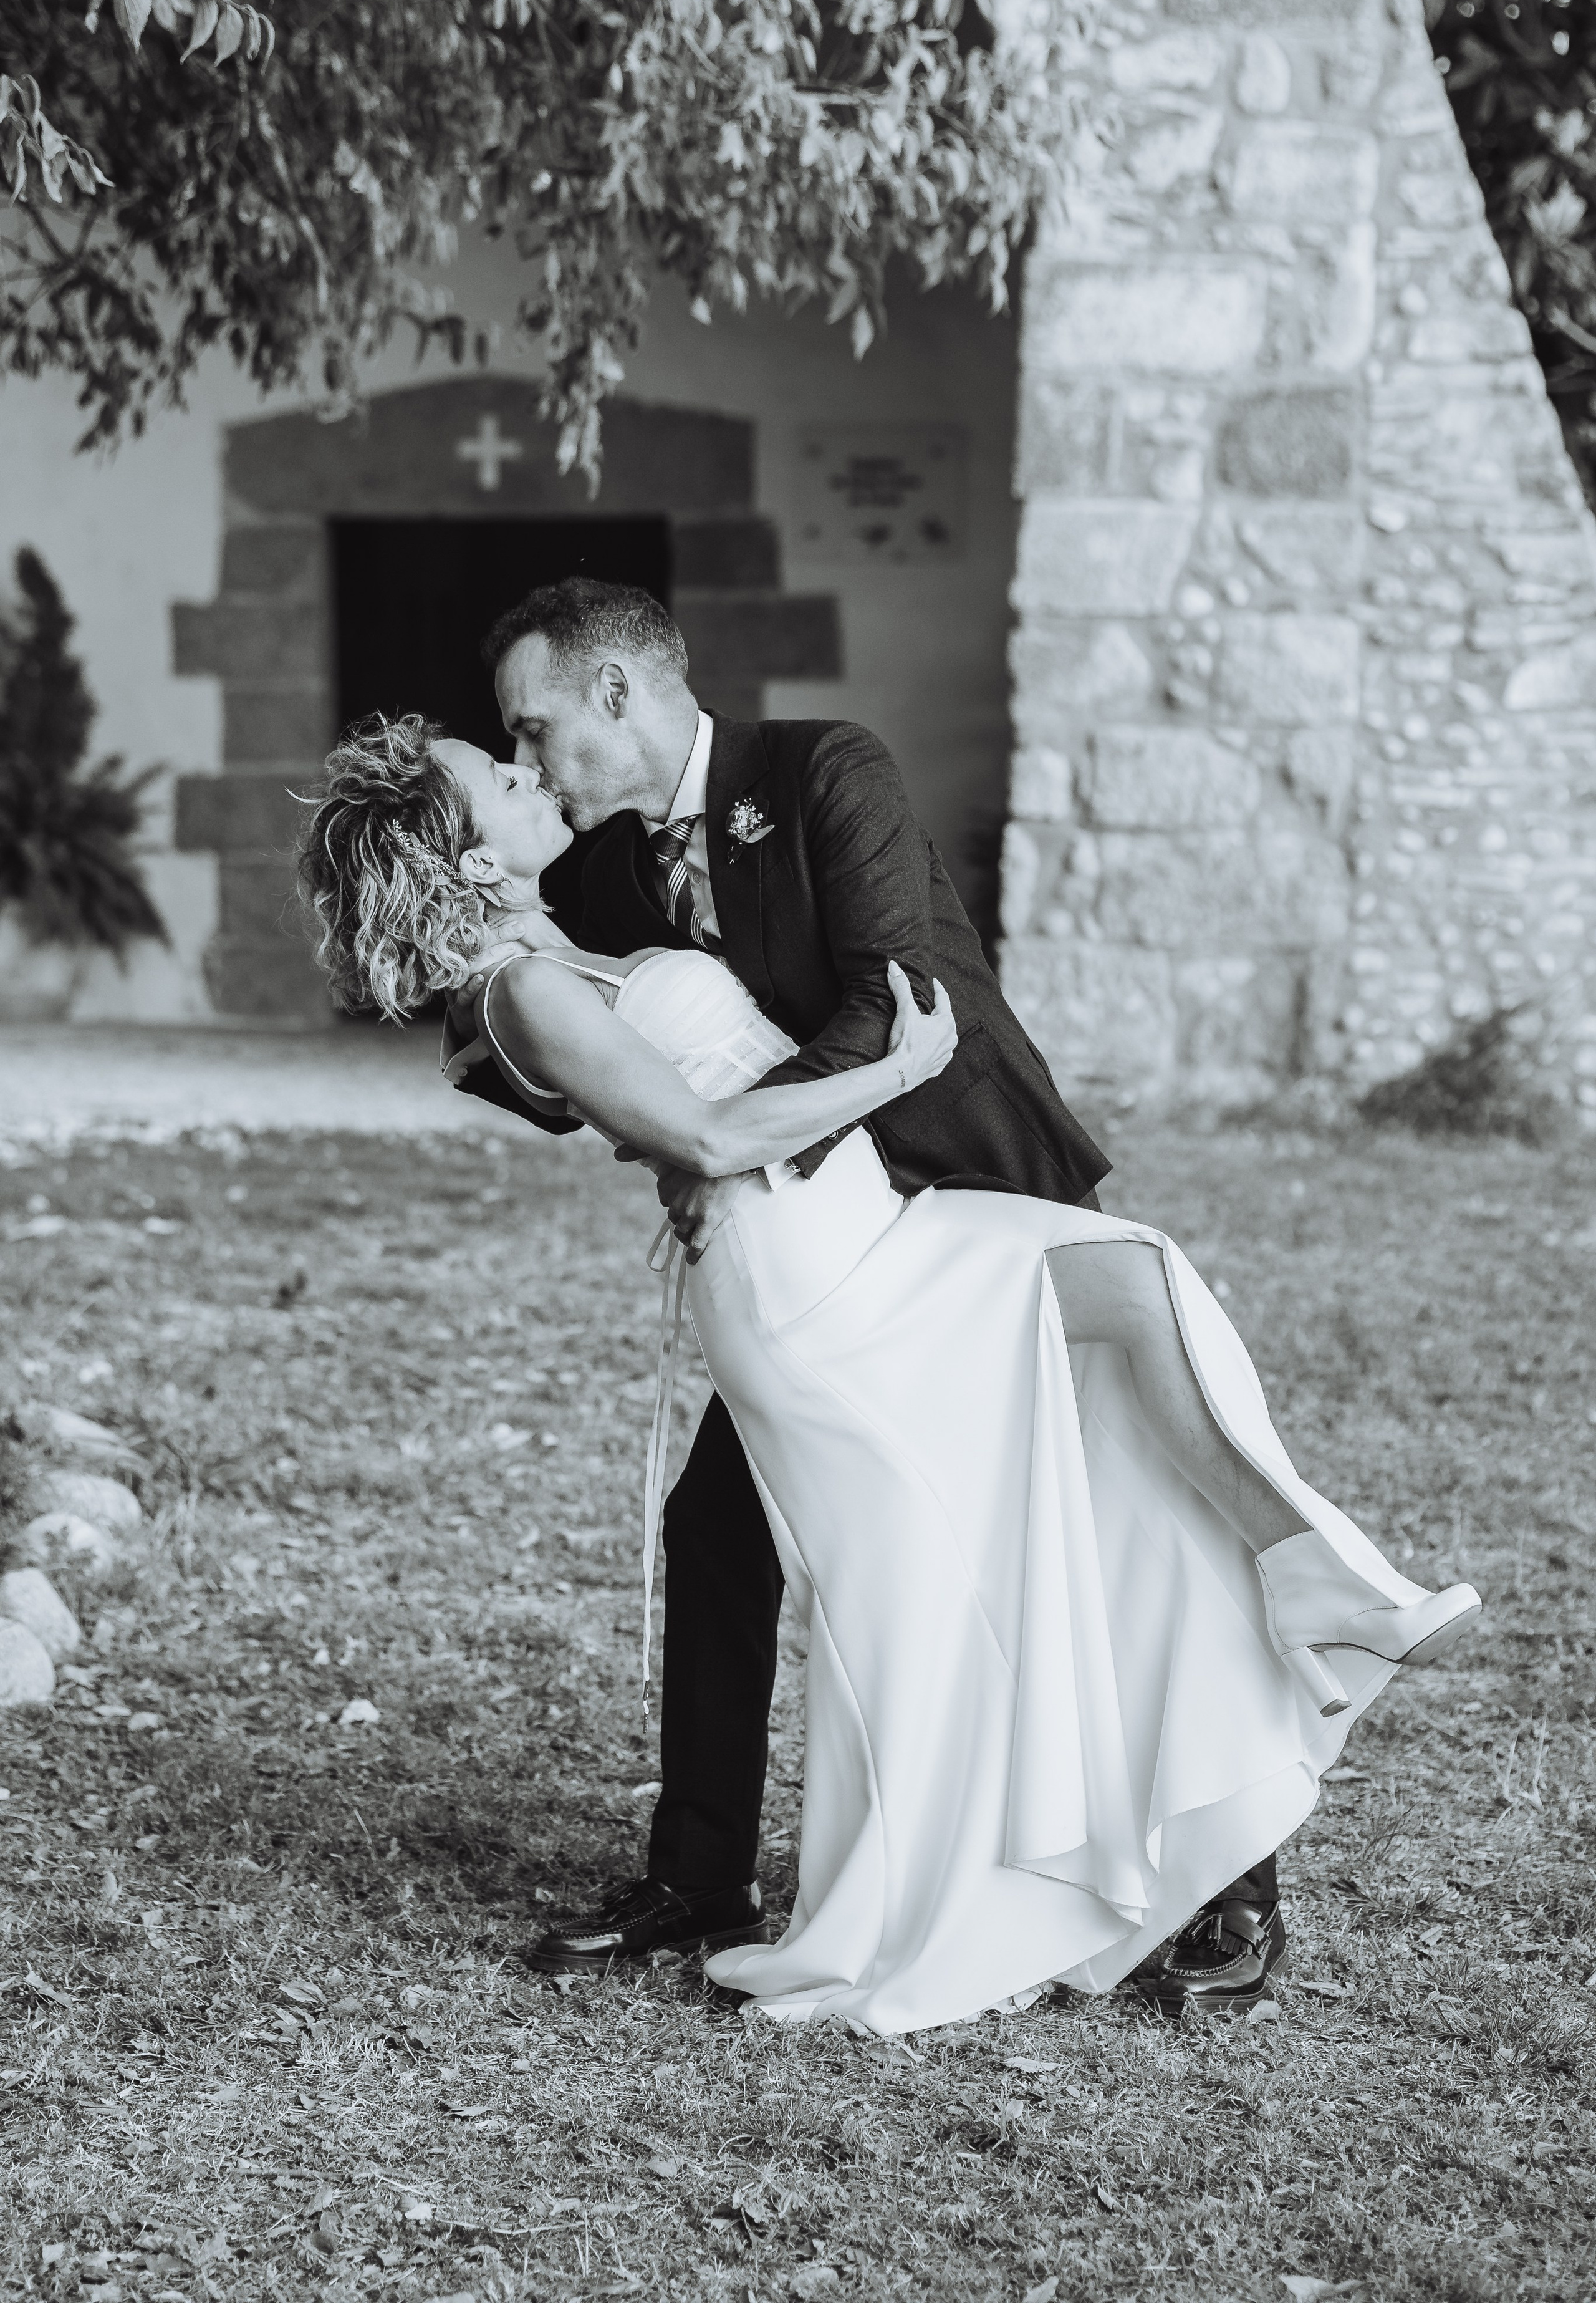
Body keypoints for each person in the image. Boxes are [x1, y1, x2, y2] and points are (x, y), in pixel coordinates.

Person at [296, 665, 1480, 2039]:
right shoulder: (532, 971)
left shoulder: (784, 793)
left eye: (526, 736)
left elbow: (817, 1017)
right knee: (935, 1548)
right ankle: (806, 1883)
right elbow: (683, 1118)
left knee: (1127, 1328)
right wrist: (824, 1096)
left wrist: (699, 1131)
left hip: (899, 1211)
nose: (525, 763)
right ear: (463, 859)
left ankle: (1295, 1614)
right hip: (813, 1279)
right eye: (498, 769)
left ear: (612, 688)